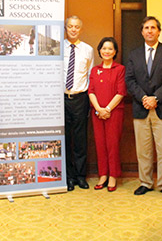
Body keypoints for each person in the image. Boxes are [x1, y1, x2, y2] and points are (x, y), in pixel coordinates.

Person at [125, 16, 162, 198]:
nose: (149, 31)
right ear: (142, 32)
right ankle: (145, 182)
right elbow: (130, 81)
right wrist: (144, 98)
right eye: (146, 28)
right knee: (143, 150)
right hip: (141, 108)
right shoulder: (134, 54)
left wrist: (156, 98)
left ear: (159, 31)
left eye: (153, 27)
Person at [89, 37, 126, 192]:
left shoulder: (119, 69)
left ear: (115, 52)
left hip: (114, 113)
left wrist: (107, 109)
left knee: (112, 144)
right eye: (104, 48)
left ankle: (113, 176)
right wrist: (98, 109)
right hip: (96, 113)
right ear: (99, 50)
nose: (106, 51)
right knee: (100, 144)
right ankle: (103, 174)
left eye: (110, 49)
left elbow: (121, 92)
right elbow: (91, 91)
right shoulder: (94, 70)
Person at [64, 15, 94, 191]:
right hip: (61, 98)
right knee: (65, 139)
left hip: (80, 98)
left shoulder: (88, 50)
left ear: (81, 29)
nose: (73, 29)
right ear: (66, 28)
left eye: (76, 27)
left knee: (81, 139)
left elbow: (90, 75)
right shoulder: (57, 48)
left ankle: (81, 176)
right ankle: (69, 177)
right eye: (70, 26)